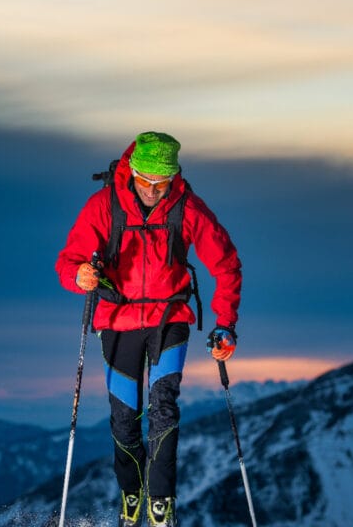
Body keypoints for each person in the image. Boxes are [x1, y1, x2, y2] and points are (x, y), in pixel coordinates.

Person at [55, 132, 242, 527]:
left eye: (162, 183)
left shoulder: (187, 209)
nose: (154, 191)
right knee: (124, 416)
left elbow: (226, 264)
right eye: (146, 182)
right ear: (132, 173)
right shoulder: (103, 207)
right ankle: (132, 495)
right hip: (117, 319)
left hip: (169, 319)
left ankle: (161, 503)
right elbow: (68, 262)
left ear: (174, 177)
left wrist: (225, 325)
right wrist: (80, 275)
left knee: (164, 406)